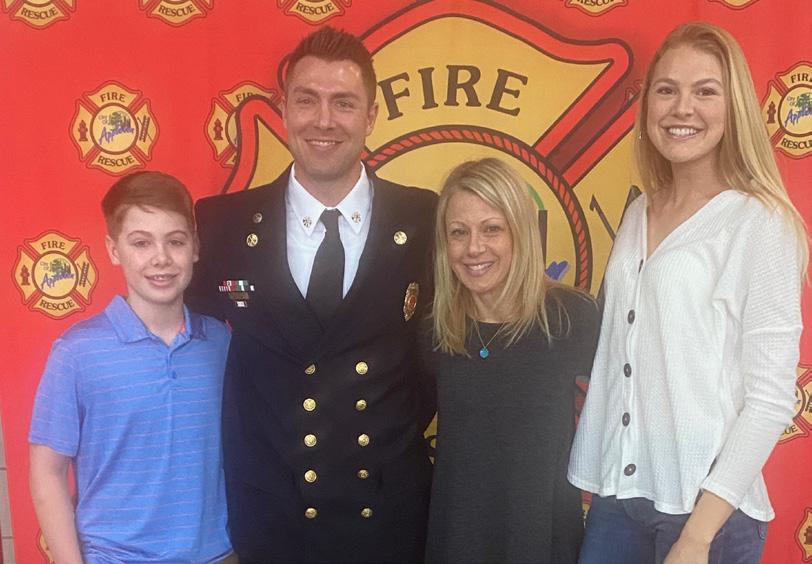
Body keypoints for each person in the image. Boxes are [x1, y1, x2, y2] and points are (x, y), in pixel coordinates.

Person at [186, 26, 437, 563]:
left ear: (371, 116)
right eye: (307, 100)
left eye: (344, 103)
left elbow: (449, 358)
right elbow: (182, 350)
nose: (324, 120)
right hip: (272, 522)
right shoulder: (221, 225)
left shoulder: (426, 220)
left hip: (387, 520)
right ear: (283, 111)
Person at [568, 22, 808, 564]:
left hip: (708, 514)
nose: (683, 108)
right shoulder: (639, 212)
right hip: (619, 498)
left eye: (705, 91)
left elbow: (770, 397)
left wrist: (698, 537)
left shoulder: (760, 223)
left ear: (733, 106)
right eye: (667, 89)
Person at [28, 171, 233, 563]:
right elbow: (47, 472)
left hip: (217, 556)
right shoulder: (77, 352)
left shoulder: (221, 343)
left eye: (175, 241)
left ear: (195, 247)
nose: (161, 258)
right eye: (141, 242)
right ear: (113, 249)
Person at [422, 158, 600, 563]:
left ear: (519, 231)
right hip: (457, 541)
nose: (474, 248)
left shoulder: (572, 317)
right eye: (459, 232)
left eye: (492, 229)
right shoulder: (435, 329)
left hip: (542, 541)